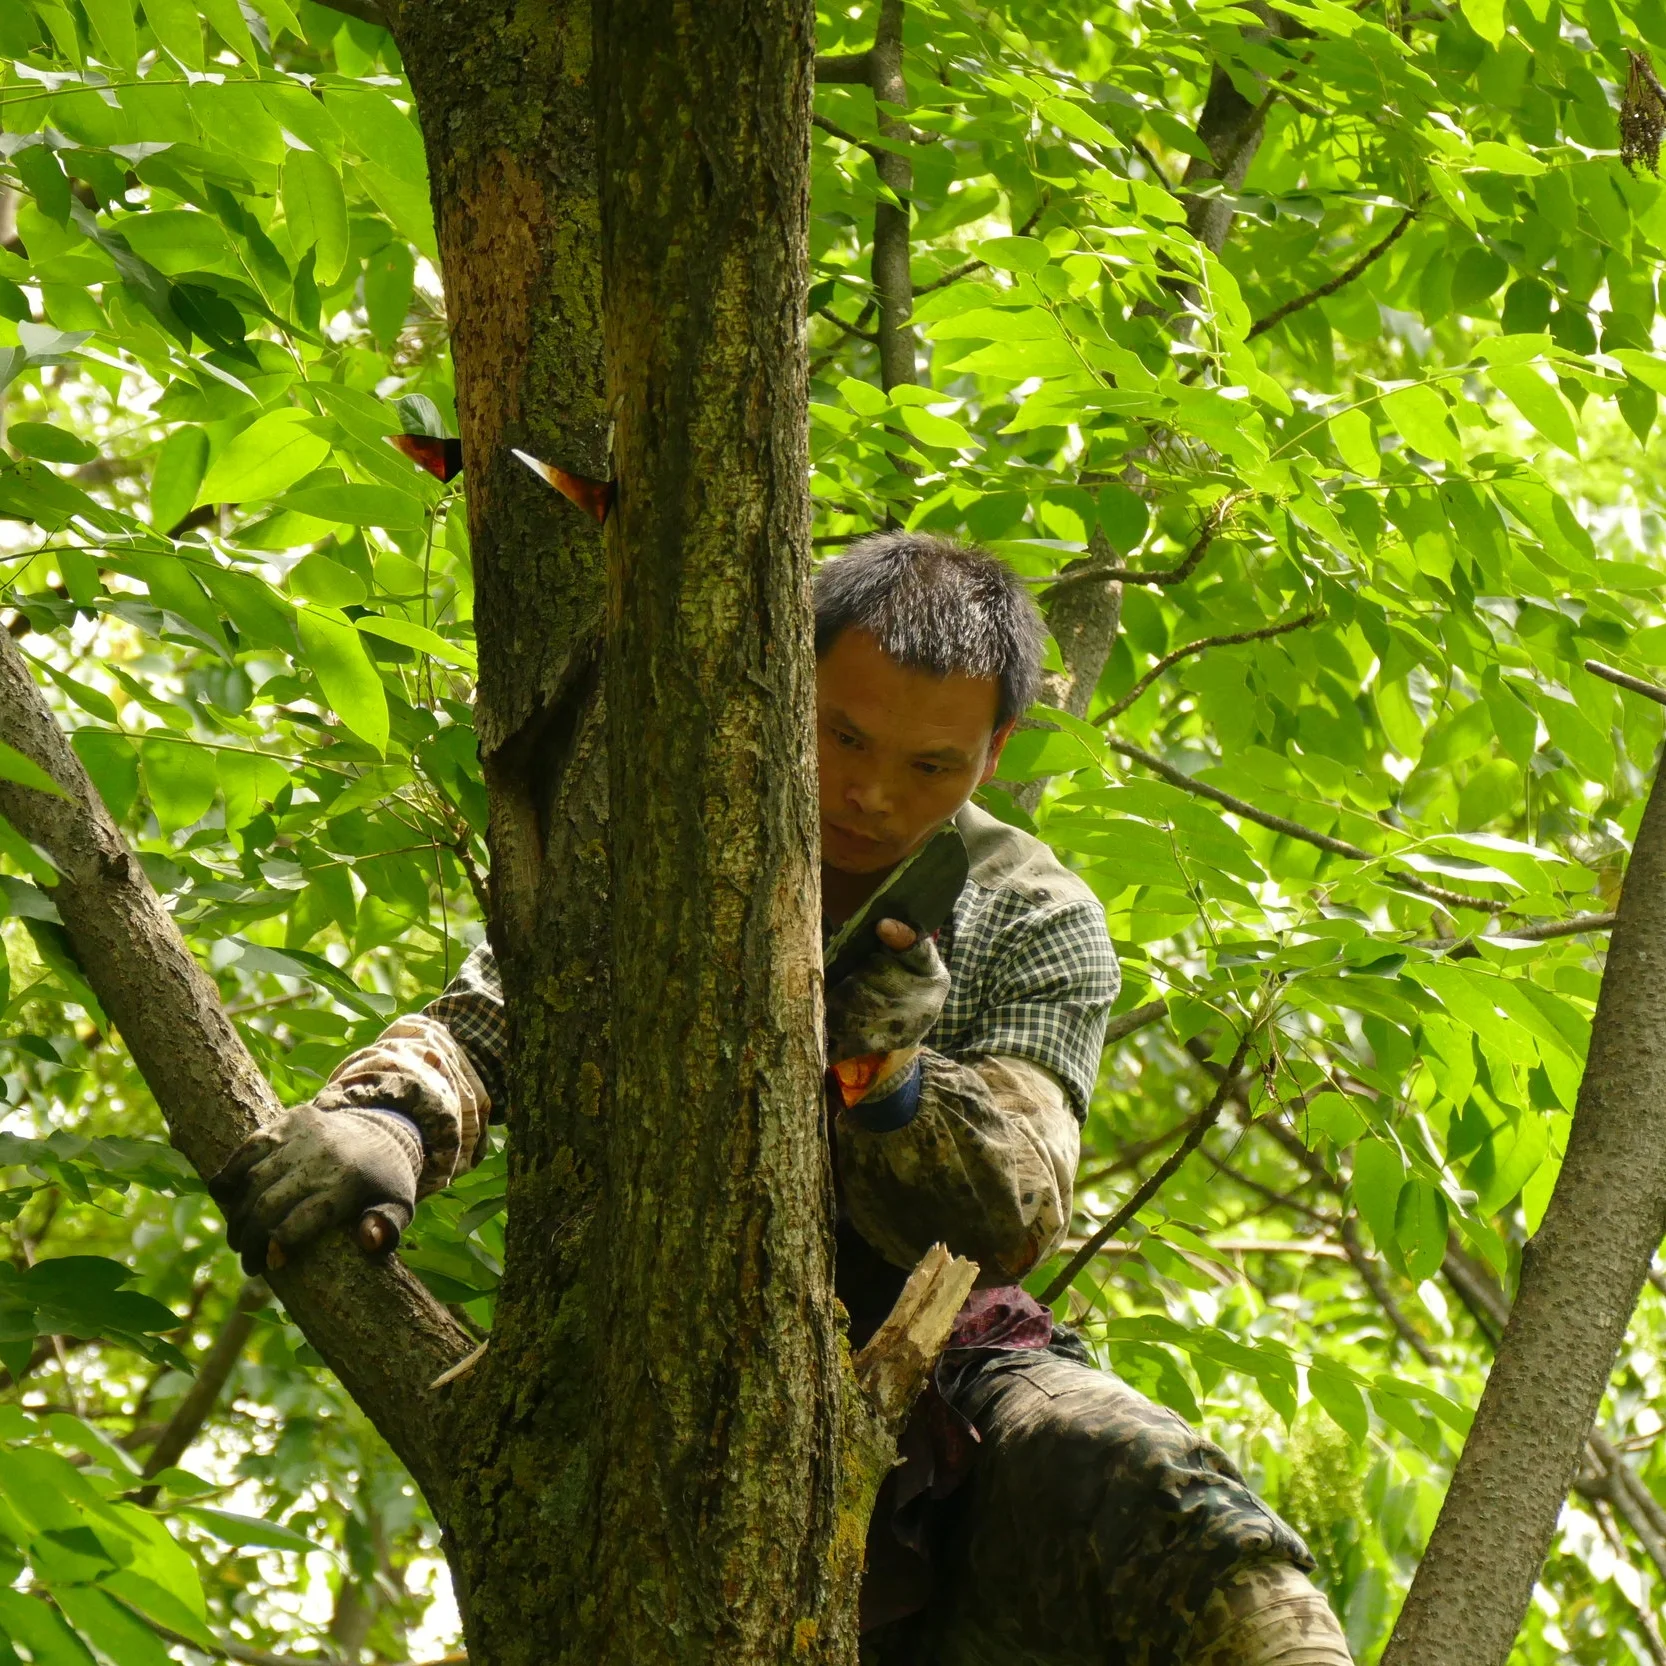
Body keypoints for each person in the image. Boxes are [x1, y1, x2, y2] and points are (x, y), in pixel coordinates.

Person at [215, 533, 1352, 1666]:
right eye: (842, 733)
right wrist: (387, 1115)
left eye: (928, 765)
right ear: (781, 679)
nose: (868, 791)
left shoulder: (1037, 915)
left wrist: (888, 1074)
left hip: (936, 1376)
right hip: (635, 1354)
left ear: (995, 752)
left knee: (1156, 1492)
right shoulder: (667, 831)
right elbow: (500, 1016)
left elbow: (1014, 1213)